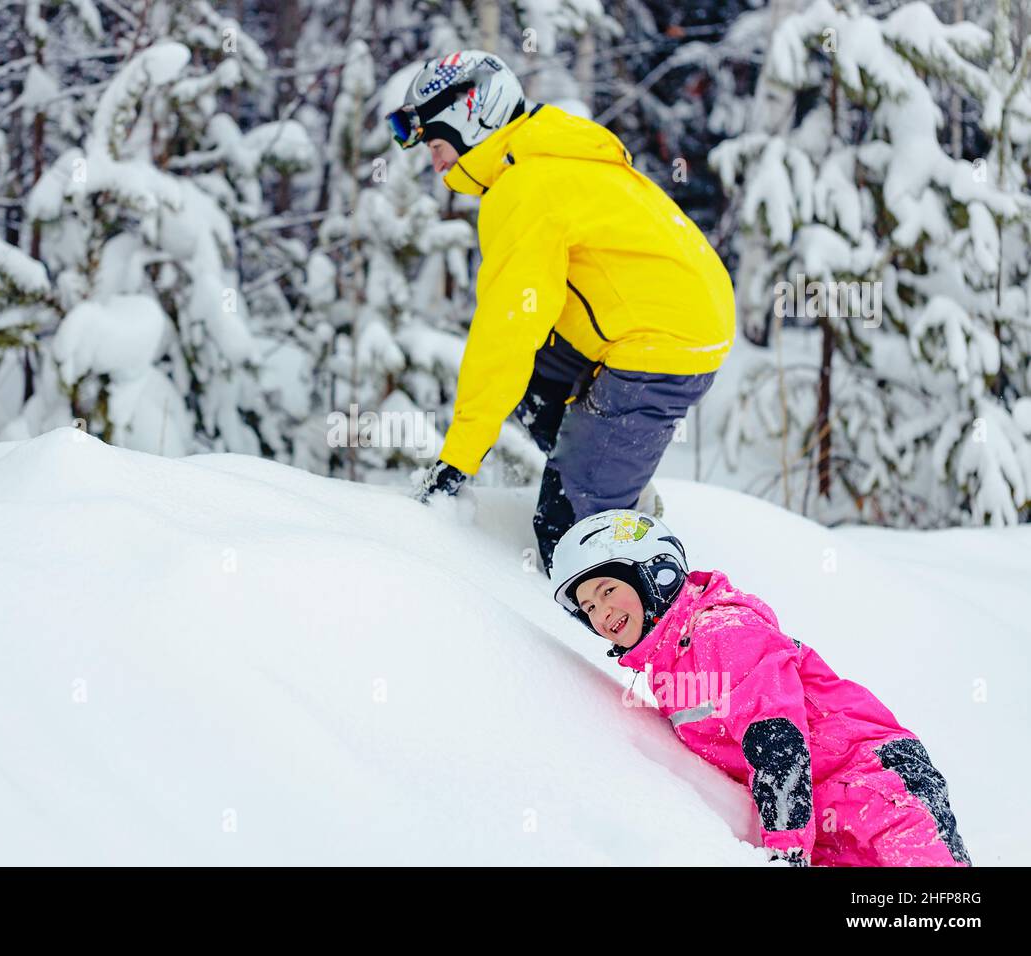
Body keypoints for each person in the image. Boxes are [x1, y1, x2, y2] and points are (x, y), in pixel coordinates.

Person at [388, 50, 734, 573]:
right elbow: (526, 328)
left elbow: (504, 335)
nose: (436, 165)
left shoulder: (526, 188)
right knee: (533, 375)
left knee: (571, 536)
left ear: (472, 120)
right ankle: (613, 477)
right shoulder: (547, 154)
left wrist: (457, 461)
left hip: (663, 343)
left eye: (436, 145)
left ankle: (630, 567)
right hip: (658, 318)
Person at [549, 508, 973, 867]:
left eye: (608, 590)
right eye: (588, 607)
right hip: (821, 816)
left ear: (654, 574)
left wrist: (786, 853)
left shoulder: (721, 630)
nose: (602, 612)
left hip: (879, 784)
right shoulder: (667, 665)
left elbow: (777, 742)